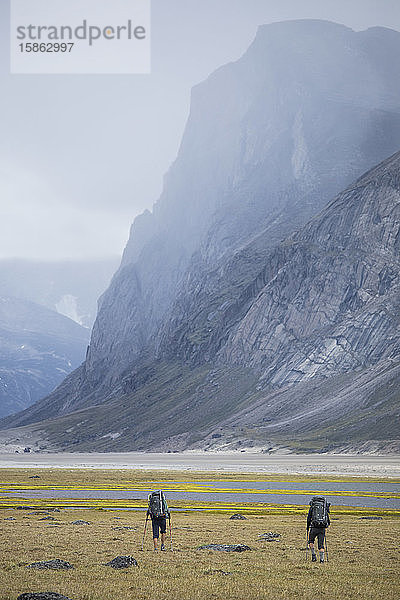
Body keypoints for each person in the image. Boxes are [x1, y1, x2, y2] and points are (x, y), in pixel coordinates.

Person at [307, 496, 330, 563]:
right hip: (322, 528)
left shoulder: (313, 507)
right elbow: (328, 520)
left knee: (311, 541)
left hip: (313, 527)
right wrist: (326, 526)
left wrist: (307, 527)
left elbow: (308, 518)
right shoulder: (324, 508)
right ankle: (322, 560)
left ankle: (313, 555)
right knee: (321, 545)